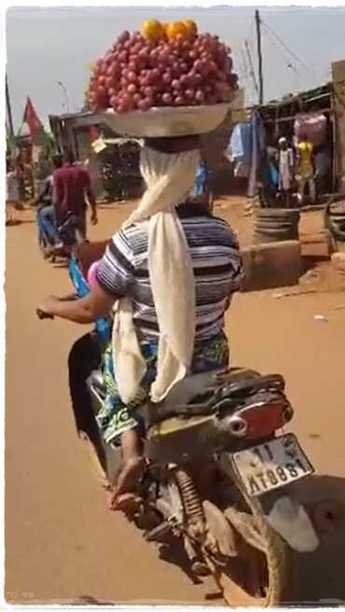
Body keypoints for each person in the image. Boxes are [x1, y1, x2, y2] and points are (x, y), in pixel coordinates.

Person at [39, 136, 243, 510]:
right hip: (213, 358)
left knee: (114, 387)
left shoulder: (132, 241)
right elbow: (228, 293)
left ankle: (132, 452)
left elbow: (91, 311)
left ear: (151, 173)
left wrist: (52, 305)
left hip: (151, 366)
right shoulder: (224, 234)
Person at [51, 151, 99, 247]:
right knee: (82, 236)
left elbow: (56, 199)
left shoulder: (57, 174)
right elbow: (90, 193)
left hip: (65, 211)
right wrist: (94, 212)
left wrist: (57, 217)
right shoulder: (82, 172)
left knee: (68, 241)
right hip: (80, 210)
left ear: (63, 160)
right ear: (73, 160)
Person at [35, 154, 64, 253]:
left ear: (53, 165)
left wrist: (36, 200)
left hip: (57, 206)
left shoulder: (51, 178)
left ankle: (56, 238)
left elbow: (43, 193)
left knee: (42, 215)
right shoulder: (69, 173)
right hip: (73, 206)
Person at [295, 137, 315, 204]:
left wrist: (297, 168)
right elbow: (312, 157)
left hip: (302, 167)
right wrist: (314, 167)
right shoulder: (310, 145)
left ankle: (300, 201)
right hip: (309, 166)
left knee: (301, 186)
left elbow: (299, 157)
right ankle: (313, 199)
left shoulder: (299, 146)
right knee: (311, 184)